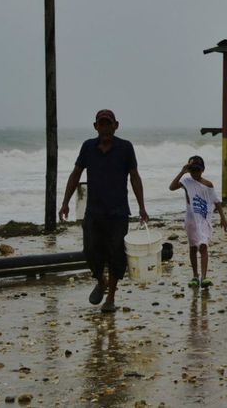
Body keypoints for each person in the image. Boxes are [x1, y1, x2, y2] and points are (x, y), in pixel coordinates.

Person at [58, 109, 148, 313]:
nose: (105, 128)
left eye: (109, 124)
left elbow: (135, 176)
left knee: (116, 254)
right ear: (95, 126)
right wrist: (65, 202)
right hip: (94, 212)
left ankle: (110, 298)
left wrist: (142, 207)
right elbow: (75, 174)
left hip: (118, 213)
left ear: (116, 125)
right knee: (90, 251)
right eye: (102, 124)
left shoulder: (125, 148)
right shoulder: (88, 147)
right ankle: (101, 280)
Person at [169, 155, 227, 288]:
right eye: (192, 170)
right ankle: (195, 276)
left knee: (204, 246)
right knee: (193, 247)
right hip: (191, 220)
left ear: (203, 170)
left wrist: (223, 218)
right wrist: (182, 172)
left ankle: (204, 277)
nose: (195, 173)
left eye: (197, 170)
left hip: (203, 219)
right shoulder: (186, 182)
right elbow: (171, 187)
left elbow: (216, 202)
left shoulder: (208, 185)